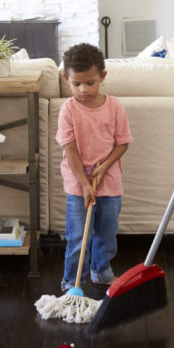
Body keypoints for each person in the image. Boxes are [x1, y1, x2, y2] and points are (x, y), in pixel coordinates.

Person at [56, 43, 132, 291]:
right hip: (78, 184)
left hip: (109, 182)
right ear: (66, 78)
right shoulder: (68, 109)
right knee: (78, 236)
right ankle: (72, 282)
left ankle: (101, 271)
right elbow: (71, 150)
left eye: (90, 83)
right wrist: (85, 183)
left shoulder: (115, 106)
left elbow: (122, 143)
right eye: (76, 84)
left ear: (102, 76)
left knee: (107, 234)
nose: (83, 89)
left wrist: (105, 166)